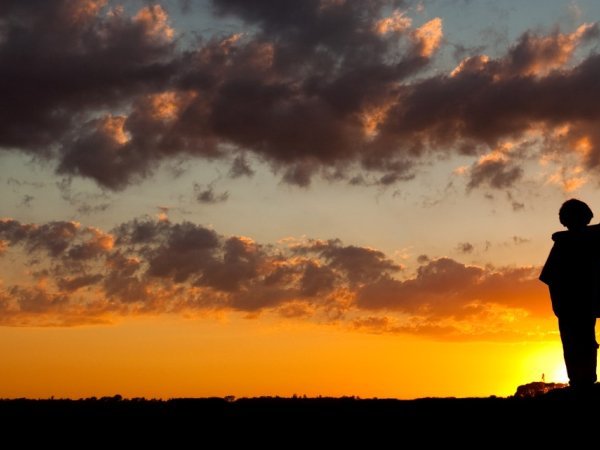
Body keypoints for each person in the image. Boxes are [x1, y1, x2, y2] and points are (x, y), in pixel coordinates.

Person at [539, 199, 600, 391]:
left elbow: (549, 278)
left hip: (577, 304)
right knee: (581, 344)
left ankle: (583, 382)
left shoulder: (567, 242)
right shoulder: (567, 242)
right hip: (575, 304)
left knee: (579, 344)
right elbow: (550, 278)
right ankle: (583, 382)